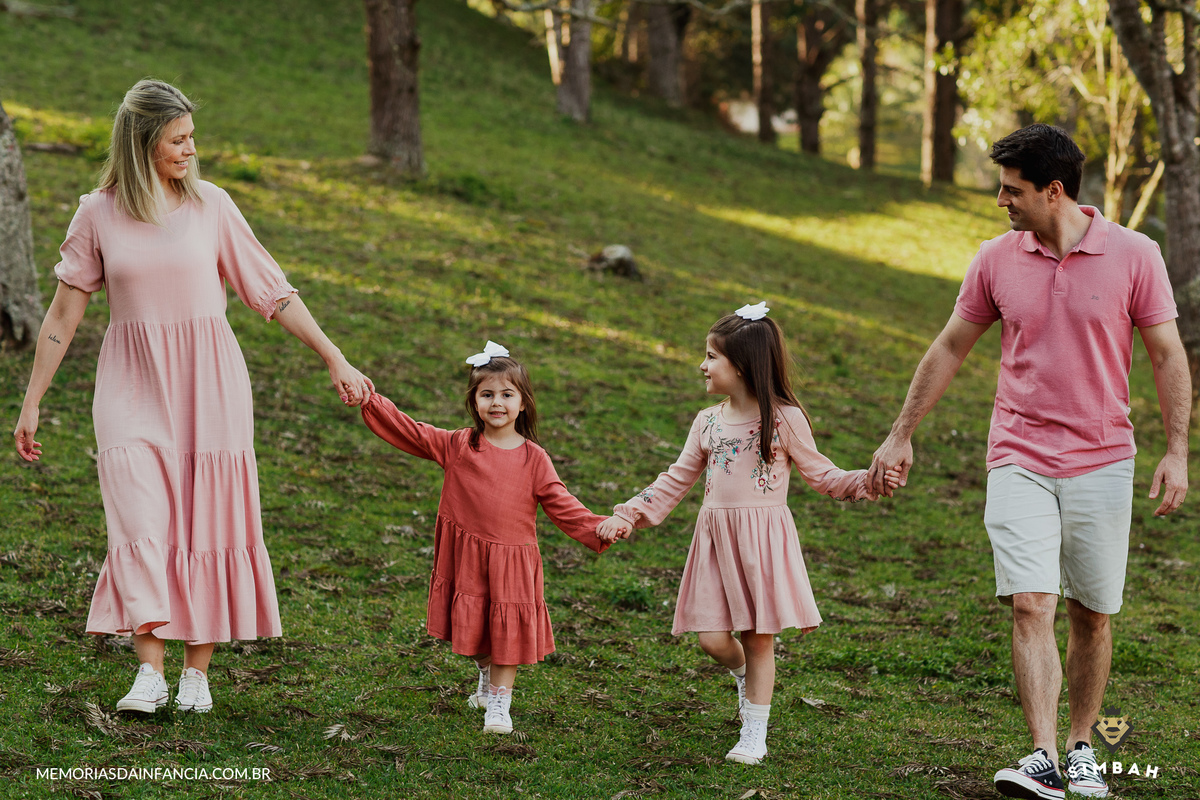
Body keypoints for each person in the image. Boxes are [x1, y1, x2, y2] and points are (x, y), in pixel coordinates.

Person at [13, 79, 374, 716]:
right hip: (129, 381)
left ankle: (196, 677)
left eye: (190, 136)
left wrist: (334, 356)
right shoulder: (96, 211)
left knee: (208, 520)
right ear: (143, 141)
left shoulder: (212, 206)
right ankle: (148, 672)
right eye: (178, 139)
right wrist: (32, 398)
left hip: (209, 382)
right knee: (139, 518)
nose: (190, 148)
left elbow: (274, 293)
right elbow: (64, 312)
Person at [866, 124, 1190, 799]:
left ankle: (1080, 745)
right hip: (1019, 452)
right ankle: (1041, 754)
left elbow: (1165, 354)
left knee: (1092, 613)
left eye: (1012, 190)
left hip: (1103, 458)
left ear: (1054, 189)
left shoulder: (1136, 254)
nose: (1001, 201)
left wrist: (1178, 449)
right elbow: (951, 345)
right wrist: (901, 432)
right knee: (1030, 602)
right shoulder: (995, 258)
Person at [597, 304, 900, 765]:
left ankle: (754, 731)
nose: (702, 365)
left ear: (741, 366)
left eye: (711, 356)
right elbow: (676, 477)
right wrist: (631, 513)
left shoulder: (784, 418)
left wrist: (868, 480)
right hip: (716, 541)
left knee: (759, 638)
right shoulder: (707, 421)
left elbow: (824, 475)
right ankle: (743, 677)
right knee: (713, 640)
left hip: (762, 542)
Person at [360, 341, 622, 736]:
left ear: (522, 403)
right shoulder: (459, 445)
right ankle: (485, 674)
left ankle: (499, 704)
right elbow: (409, 431)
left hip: (512, 562)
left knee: (505, 635)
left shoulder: (535, 458)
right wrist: (369, 399)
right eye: (487, 395)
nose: (496, 403)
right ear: (474, 402)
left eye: (506, 394)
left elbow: (562, 504)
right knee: (476, 633)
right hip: (467, 557)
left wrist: (599, 526)